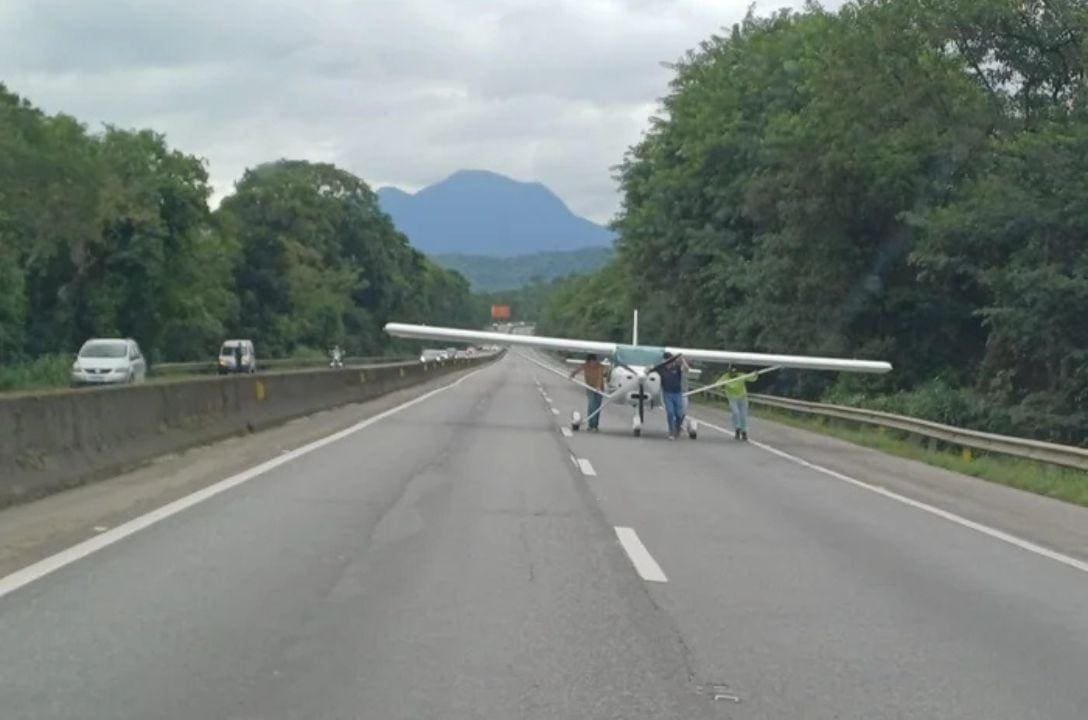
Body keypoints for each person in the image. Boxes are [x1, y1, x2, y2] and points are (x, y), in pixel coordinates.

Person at [570, 353, 606, 431]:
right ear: (588, 361)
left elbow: (600, 377)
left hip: (599, 390)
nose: (593, 364)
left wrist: (598, 386)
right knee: (591, 406)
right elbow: (578, 369)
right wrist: (573, 374)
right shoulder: (585, 365)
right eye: (591, 362)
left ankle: (595, 426)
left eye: (594, 361)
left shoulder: (600, 367)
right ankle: (590, 425)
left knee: (597, 408)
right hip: (590, 388)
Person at [658, 352, 689, 440]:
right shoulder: (661, 369)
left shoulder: (677, 367)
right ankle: (671, 431)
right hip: (667, 394)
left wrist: (682, 360)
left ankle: (677, 428)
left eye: (670, 360)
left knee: (679, 414)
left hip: (677, 394)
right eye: (667, 360)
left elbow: (686, 369)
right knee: (670, 412)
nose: (669, 362)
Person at [720, 364, 754, 440]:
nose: (733, 374)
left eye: (734, 372)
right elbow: (719, 383)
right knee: (735, 413)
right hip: (732, 398)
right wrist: (719, 387)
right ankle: (737, 429)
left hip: (742, 397)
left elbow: (751, 378)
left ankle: (744, 432)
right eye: (731, 372)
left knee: (743, 415)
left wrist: (755, 374)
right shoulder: (725, 377)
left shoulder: (741, 375)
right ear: (729, 372)